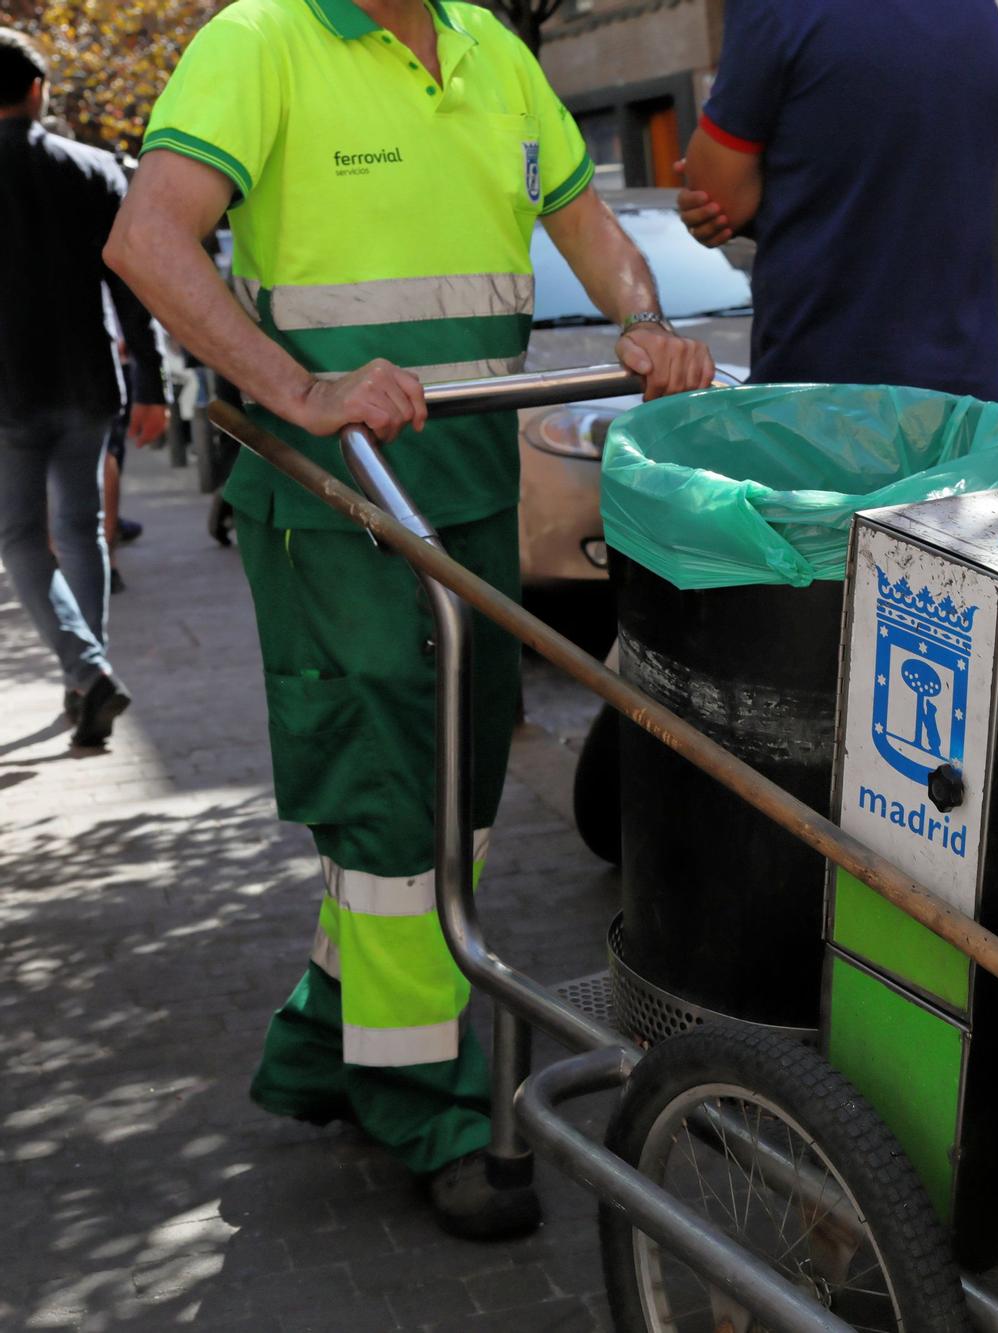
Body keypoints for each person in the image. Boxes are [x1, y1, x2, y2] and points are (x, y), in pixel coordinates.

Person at [105, 0, 714, 1240]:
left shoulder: (493, 52)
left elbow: (589, 226)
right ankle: (427, 1103)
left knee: (459, 801)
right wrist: (298, 385)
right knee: (397, 811)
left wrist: (645, 319)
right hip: (341, 514)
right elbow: (147, 241)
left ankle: (328, 1041)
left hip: (471, 495)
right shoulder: (263, 40)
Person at [673, 0, 998, 398]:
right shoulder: (979, 11)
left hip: (824, 397)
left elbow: (716, 195)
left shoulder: (777, 9)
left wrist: (768, 185)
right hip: (966, 388)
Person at [0, 28, 166, 748]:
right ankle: (87, 678)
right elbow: (135, 283)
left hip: (6, 391)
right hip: (89, 380)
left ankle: (87, 670)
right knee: (82, 529)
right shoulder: (96, 168)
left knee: (20, 537)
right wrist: (153, 381)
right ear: (38, 92)